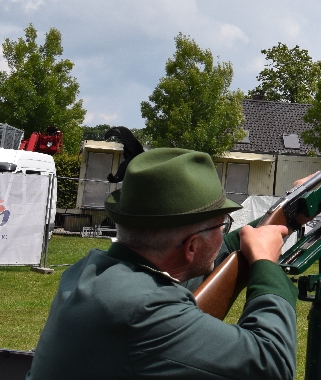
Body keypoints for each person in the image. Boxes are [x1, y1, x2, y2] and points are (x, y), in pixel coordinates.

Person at [28, 148, 298, 380]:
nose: (225, 232)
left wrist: (291, 212)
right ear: (191, 247)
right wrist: (265, 264)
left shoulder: (91, 271)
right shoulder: (144, 309)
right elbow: (271, 363)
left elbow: (215, 252)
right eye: (223, 225)